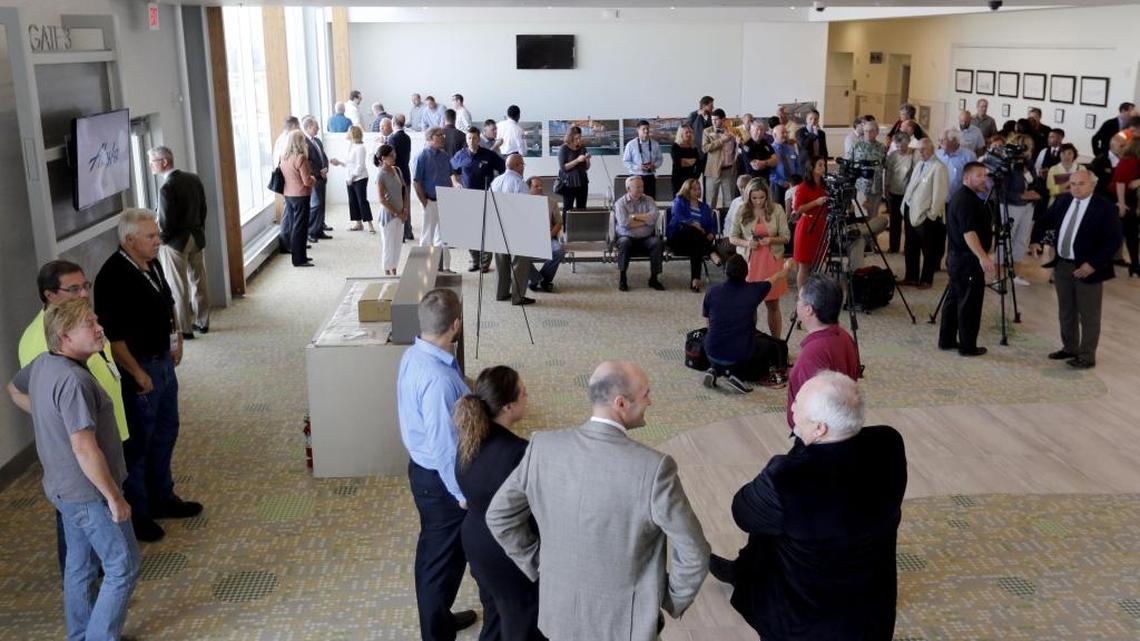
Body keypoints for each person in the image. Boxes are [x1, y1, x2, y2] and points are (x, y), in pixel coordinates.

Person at [486, 360, 710, 641]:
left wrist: (537, 563)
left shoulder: (543, 447)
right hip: (625, 628)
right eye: (646, 394)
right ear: (621, 403)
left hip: (559, 618)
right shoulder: (654, 469)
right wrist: (670, 599)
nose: (651, 401)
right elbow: (695, 551)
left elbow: (499, 516)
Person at [710, 370, 906, 641]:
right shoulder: (888, 443)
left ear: (819, 428)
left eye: (797, 405)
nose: (791, 407)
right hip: (871, 612)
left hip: (804, 620)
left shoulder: (788, 479)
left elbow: (742, 512)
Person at [7, 298, 141, 641]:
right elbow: (84, 447)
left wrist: (49, 417)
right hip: (89, 493)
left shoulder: (43, 364)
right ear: (64, 337)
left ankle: (80, 635)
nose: (100, 329)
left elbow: (15, 387)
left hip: (61, 488)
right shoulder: (73, 382)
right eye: (89, 325)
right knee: (122, 567)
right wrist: (114, 497)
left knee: (80, 566)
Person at [94, 209, 203, 543]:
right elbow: (114, 339)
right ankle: (139, 513)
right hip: (139, 368)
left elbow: (167, 302)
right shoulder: (113, 276)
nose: (158, 241)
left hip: (163, 361)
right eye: (151, 236)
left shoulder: (150, 262)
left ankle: (163, 497)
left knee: (167, 431)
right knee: (140, 442)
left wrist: (177, 338)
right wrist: (138, 373)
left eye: (157, 235)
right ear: (129, 240)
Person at [19, 261, 131, 576]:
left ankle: (88, 608)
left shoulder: (81, 322)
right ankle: (98, 601)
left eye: (86, 286)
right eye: (74, 289)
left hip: (101, 436)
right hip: (79, 468)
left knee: (85, 555)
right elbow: (20, 390)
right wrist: (52, 420)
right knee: (110, 561)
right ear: (50, 295)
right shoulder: (42, 343)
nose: (83, 294)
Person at [396, 289, 479, 641]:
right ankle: (435, 633)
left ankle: (441, 619)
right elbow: (445, 447)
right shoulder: (439, 380)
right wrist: (460, 494)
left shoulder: (417, 355)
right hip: (439, 480)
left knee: (442, 554)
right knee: (438, 561)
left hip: (425, 472)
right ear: (456, 325)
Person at [452, 366, 544, 641]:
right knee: (522, 620)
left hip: (475, 543)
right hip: (508, 551)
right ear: (507, 406)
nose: (527, 397)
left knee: (494, 612)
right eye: (523, 393)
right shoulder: (520, 453)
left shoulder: (469, 439)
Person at [1028, 170, 1123, 369]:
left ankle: (1087, 356)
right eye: (1072, 184)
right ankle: (1070, 348)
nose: (1076, 188)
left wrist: (1093, 265)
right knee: (1066, 310)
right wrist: (1035, 240)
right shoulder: (1063, 201)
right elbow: (1043, 220)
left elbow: (1112, 242)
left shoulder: (1105, 208)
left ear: (1092, 185)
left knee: (1088, 314)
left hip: (1088, 268)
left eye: (1081, 183)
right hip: (1063, 265)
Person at [702, 254, 793, 393]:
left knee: (720, 340)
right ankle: (737, 376)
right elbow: (773, 279)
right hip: (738, 356)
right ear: (746, 273)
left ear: (726, 272)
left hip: (710, 350)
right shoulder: (753, 291)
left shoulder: (712, 291)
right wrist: (786, 268)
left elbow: (708, 322)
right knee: (766, 347)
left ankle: (714, 369)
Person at [148, 146, 210, 338]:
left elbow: (165, 222)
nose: (150, 166)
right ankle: (203, 321)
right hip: (196, 237)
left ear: (164, 162)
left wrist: (162, 241)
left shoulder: (166, 187)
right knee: (199, 280)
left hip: (175, 242)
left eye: (153, 162)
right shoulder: (193, 178)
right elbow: (203, 209)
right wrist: (199, 231)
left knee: (178, 285)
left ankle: (184, 328)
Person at [785, 275, 860, 430]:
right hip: (840, 426)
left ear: (808, 310)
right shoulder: (845, 337)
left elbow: (810, 409)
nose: (796, 303)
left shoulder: (812, 353)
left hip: (818, 438)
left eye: (798, 299)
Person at [940, 162, 997, 357]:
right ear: (967, 178)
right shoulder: (966, 200)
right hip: (967, 260)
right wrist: (983, 257)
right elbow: (969, 232)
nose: (985, 179)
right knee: (969, 304)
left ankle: (946, 340)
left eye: (986, 175)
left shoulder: (965, 197)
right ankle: (967, 346)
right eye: (979, 175)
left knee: (955, 298)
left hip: (958, 259)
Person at [729, 179, 790, 337]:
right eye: (754, 198)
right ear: (748, 197)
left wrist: (771, 240)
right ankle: (750, 341)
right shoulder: (742, 210)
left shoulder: (777, 209)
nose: (758, 201)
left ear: (767, 196)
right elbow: (732, 237)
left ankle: (777, 342)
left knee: (773, 304)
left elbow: (786, 237)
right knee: (750, 305)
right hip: (750, 262)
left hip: (772, 260)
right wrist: (747, 243)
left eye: (761, 197)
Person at [450, 126, 506, 273]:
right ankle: (475, 260)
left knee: (486, 231)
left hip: (486, 196)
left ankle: (485, 263)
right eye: (469, 138)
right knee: (470, 232)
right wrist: (456, 183)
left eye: (474, 138)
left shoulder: (488, 155)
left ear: (478, 139)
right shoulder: (460, 155)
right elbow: (453, 171)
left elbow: (503, 169)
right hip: (467, 198)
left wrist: (496, 185)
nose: (472, 141)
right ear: (466, 139)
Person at [900, 138, 949, 288]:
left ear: (932, 149)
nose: (920, 152)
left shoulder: (938, 167)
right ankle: (911, 277)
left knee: (928, 249)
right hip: (911, 211)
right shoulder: (920, 164)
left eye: (924, 149)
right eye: (918, 150)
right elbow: (911, 186)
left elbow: (940, 195)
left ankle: (926, 279)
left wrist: (931, 215)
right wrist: (904, 206)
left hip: (926, 215)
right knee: (910, 247)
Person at [994, 134, 1040, 287]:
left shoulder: (1028, 163)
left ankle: (1015, 274)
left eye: (1030, 146)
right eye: (1026, 146)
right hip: (1011, 206)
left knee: (1021, 241)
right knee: (1005, 240)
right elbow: (1000, 190)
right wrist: (1020, 195)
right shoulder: (1007, 163)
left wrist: (1034, 192)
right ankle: (998, 277)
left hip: (1028, 206)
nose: (1029, 150)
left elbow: (1034, 181)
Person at [490, 154, 535, 306]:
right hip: (516, 228)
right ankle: (518, 297)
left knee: (501, 261)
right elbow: (526, 207)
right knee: (519, 264)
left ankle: (501, 293)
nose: (523, 167)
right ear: (517, 165)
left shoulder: (496, 180)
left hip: (498, 225)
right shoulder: (519, 183)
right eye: (522, 164)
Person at [613, 176, 664, 292]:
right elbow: (624, 223)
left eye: (642, 186)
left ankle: (654, 278)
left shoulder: (649, 199)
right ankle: (623, 277)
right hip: (626, 237)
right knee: (624, 243)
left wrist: (634, 218)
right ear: (628, 189)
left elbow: (654, 217)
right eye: (638, 187)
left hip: (646, 238)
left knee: (657, 243)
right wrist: (645, 220)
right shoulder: (620, 203)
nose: (641, 189)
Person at [414, 127, 454, 272]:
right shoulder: (422, 156)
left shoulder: (445, 155)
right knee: (427, 236)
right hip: (429, 201)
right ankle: (424, 269)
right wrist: (424, 202)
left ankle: (444, 267)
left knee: (444, 236)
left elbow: (450, 176)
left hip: (445, 201)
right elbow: (417, 182)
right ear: (430, 138)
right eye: (439, 135)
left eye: (443, 135)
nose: (443, 137)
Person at [667, 178, 718, 292]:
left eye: (699, 189)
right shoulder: (679, 201)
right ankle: (711, 251)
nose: (698, 191)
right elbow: (677, 217)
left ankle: (695, 280)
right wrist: (693, 224)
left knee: (696, 247)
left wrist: (712, 233)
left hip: (697, 241)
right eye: (694, 189)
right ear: (687, 190)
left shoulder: (704, 206)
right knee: (691, 230)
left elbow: (711, 225)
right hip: (679, 238)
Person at [277, 130, 315, 266]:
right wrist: (314, 179)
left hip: (288, 195)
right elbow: (306, 181)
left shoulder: (284, 157)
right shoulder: (300, 158)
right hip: (301, 195)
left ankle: (300, 256)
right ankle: (299, 259)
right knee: (301, 228)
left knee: (294, 226)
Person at [791, 156, 829, 290]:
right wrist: (816, 202)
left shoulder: (825, 185)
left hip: (821, 225)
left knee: (816, 263)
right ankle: (802, 296)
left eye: (824, 165)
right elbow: (797, 209)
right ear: (812, 168)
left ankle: (812, 293)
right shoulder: (803, 187)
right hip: (807, 227)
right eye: (820, 165)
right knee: (804, 265)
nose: (823, 168)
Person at [331, 125, 375, 234]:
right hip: (350, 178)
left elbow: (360, 166)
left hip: (360, 178)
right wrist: (339, 163)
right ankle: (358, 223)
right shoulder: (350, 146)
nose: (346, 133)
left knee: (362, 200)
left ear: (353, 133)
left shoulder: (360, 148)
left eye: (348, 131)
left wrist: (351, 177)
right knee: (353, 201)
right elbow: (349, 163)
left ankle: (370, 224)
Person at [526, 176, 566, 293]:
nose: (540, 188)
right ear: (529, 188)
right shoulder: (522, 202)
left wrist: (549, 235)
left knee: (559, 251)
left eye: (541, 185)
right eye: (536, 186)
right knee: (515, 253)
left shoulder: (551, 202)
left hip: (548, 237)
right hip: (527, 240)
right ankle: (535, 279)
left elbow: (559, 223)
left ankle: (543, 280)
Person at [376, 144, 407, 276]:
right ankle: (387, 271)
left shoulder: (397, 170)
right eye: (391, 155)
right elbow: (382, 199)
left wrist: (405, 210)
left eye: (394, 154)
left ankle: (394, 268)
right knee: (388, 245)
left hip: (401, 214)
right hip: (388, 215)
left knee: (397, 244)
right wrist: (396, 213)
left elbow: (404, 190)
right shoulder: (381, 175)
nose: (394, 157)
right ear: (383, 158)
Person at [1111, 138, 1140, 276]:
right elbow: (1120, 183)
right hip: (1118, 198)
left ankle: (1135, 265)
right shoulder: (1129, 161)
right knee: (1117, 234)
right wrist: (1122, 205)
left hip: (1130, 198)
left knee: (1131, 234)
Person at [301, 115, 332, 243]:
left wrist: (325, 168)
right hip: (314, 177)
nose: (318, 128)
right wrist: (317, 172)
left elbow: (323, 157)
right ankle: (312, 231)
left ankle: (319, 229)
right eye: (316, 126)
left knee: (321, 204)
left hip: (322, 177)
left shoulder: (318, 141)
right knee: (315, 205)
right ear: (308, 127)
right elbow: (306, 162)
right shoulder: (304, 142)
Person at [884, 132, 914, 254]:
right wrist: (886, 188)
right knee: (894, 221)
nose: (900, 148)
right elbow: (888, 173)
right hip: (894, 191)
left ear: (908, 143)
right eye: (897, 146)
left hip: (908, 193)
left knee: (908, 223)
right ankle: (894, 246)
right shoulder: (892, 156)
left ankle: (908, 248)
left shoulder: (913, 155)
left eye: (902, 146)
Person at [702, 109, 738, 209]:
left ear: (723, 119)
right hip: (712, 171)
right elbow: (705, 148)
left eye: (716, 120)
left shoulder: (732, 131)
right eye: (712, 119)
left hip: (729, 170)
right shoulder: (707, 131)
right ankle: (710, 223)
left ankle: (727, 223)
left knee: (729, 201)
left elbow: (738, 147)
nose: (713, 122)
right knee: (710, 201)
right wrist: (721, 141)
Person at [622, 119, 663, 201]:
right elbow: (626, 161)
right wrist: (638, 167)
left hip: (650, 177)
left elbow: (660, 159)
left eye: (648, 129)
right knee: (635, 201)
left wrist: (654, 165)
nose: (646, 131)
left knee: (651, 201)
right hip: (635, 178)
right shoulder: (631, 145)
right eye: (643, 129)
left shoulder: (655, 144)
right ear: (638, 130)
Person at [390, 115, 415, 242]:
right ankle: (408, 231)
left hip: (396, 175)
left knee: (397, 204)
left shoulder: (392, 138)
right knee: (406, 204)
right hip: (406, 172)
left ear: (393, 122)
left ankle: (401, 233)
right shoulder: (407, 137)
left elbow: (391, 159)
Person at [556, 125, 590, 212]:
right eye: (576, 138)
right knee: (567, 208)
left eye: (580, 137)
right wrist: (577, 160)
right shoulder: (563, 148)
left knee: (582, 208)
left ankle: (581, 226)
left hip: (582, 182)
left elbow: (586, 168)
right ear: (570, 138)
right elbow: (563, 167)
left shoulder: (582, 148)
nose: (579, 140)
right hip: (569, 183)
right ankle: (567, 225)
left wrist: (587, 160)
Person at [936, 129, 978, 198]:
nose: (940, 142)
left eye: (943, 140)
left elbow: (973, 181)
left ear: (954, 141)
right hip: (938, 198)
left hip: (957, 199)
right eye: (939, 140)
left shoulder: (969, 156)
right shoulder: (938, 154)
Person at [769, 124, 802, 209]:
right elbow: (770, 171)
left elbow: (797, 164)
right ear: (775, 135)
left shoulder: (791, 148)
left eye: (786, 133)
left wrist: (796, 181)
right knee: (778, 208)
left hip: (793, 184)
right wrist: (781, 182)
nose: (785, 135)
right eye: (782, 133)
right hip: (777, 185)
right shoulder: (770, 149)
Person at [669, 123, 701, 198]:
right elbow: (678, 162)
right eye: (686, 132)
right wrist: (691, 161)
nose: (689, 134)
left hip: (691, 179)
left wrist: (695, 177)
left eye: (690, 132)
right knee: (679, 201)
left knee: (691, 200)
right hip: (678, 179)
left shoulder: (693, 148)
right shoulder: (675, 147)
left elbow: (698, 163)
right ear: (681, 134)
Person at [687, 95, 715, 163]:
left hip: (708, 149)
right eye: (711, 106)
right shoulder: (694, 115)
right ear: (704, 105)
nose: (713, 107)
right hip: (697, 150)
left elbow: (713, 128)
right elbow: (687, 127)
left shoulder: (711, 116)